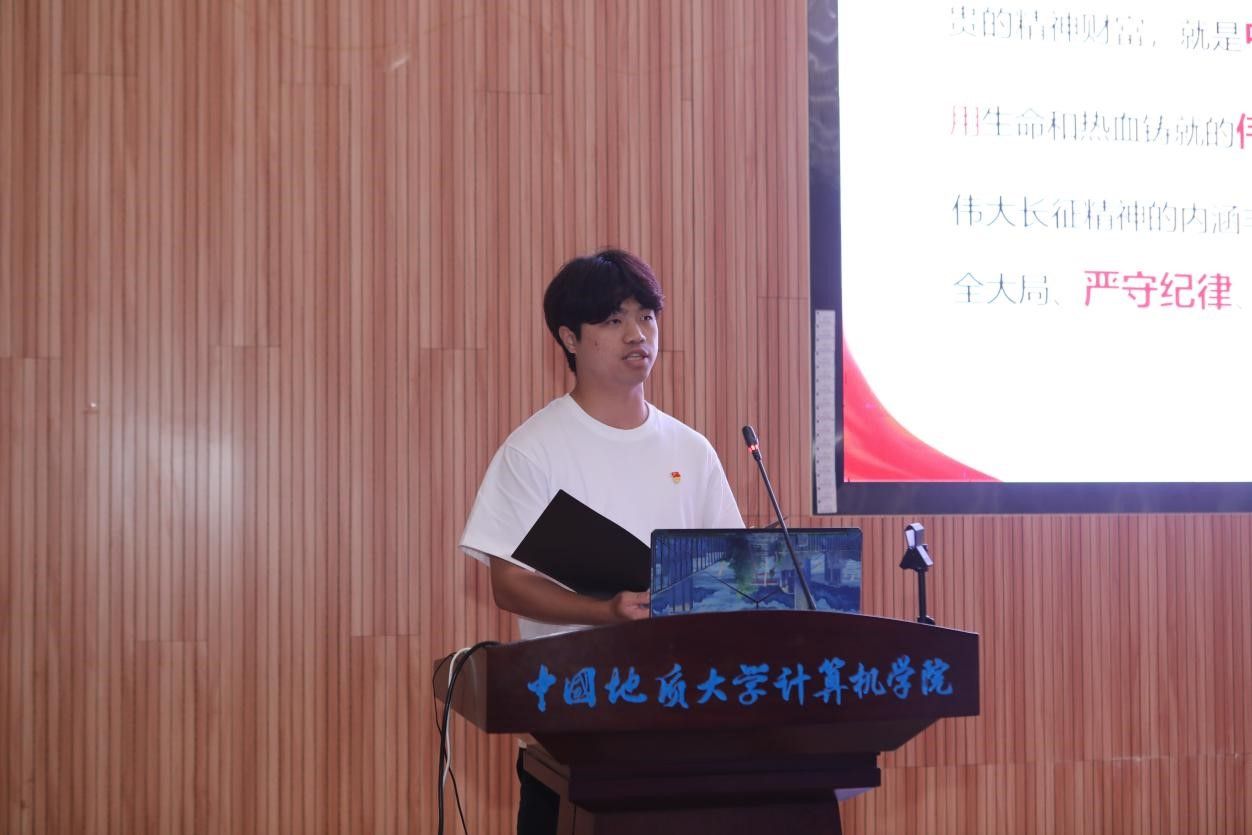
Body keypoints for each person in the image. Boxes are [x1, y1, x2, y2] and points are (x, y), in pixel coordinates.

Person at [459, 249, 744, 834]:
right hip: (573, 731)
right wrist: (606, 612)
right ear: (569, 337)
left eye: (647, 316)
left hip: (684, 730)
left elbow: (733, 572)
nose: (638, 334)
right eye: (614, 320)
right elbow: (509, 584)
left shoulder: (691, 450)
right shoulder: (534, 450)